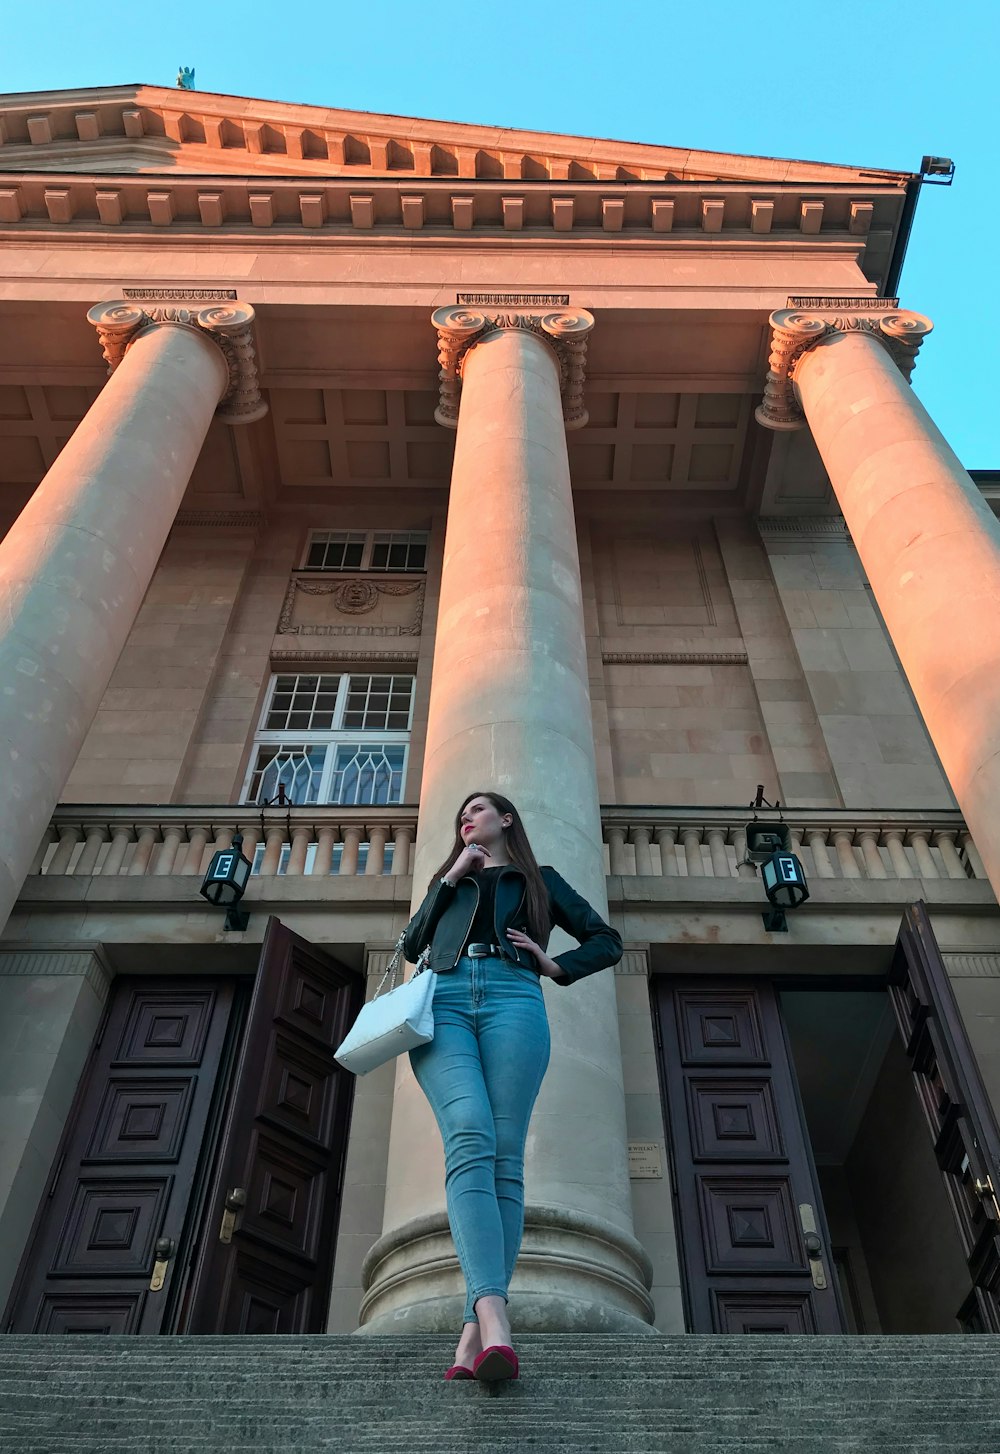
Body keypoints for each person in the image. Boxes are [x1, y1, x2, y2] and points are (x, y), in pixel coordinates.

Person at [403, 790, 623, 1383]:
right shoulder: (452, 877)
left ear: (506, 820)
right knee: (469, 1137)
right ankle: (496, 1318)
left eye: (476, 809)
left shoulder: (539, 881)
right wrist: (453, 875)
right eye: (461, 815)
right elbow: (410, 944)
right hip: (444, 1002)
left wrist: (556, 966)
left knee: (504, 1159)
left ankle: (473, 1334)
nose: (465, 817)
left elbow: (607, 940)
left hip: (514, 1000)